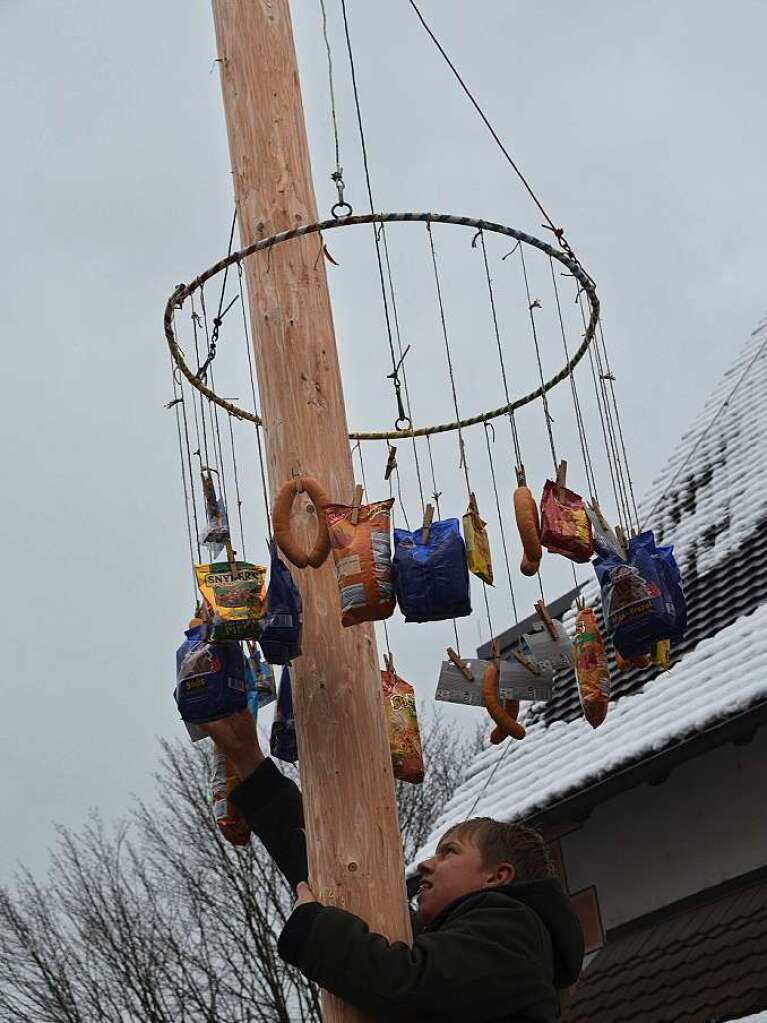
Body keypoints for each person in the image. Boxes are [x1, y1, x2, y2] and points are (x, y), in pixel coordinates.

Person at [204, 708, 584, 1023]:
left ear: (497, 877)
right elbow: (333, 878)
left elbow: (409, 984)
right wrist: (248, 761)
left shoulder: (514, 933)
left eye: (449, 853)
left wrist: (318, 930)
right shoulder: (470, 949)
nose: (426, 864)